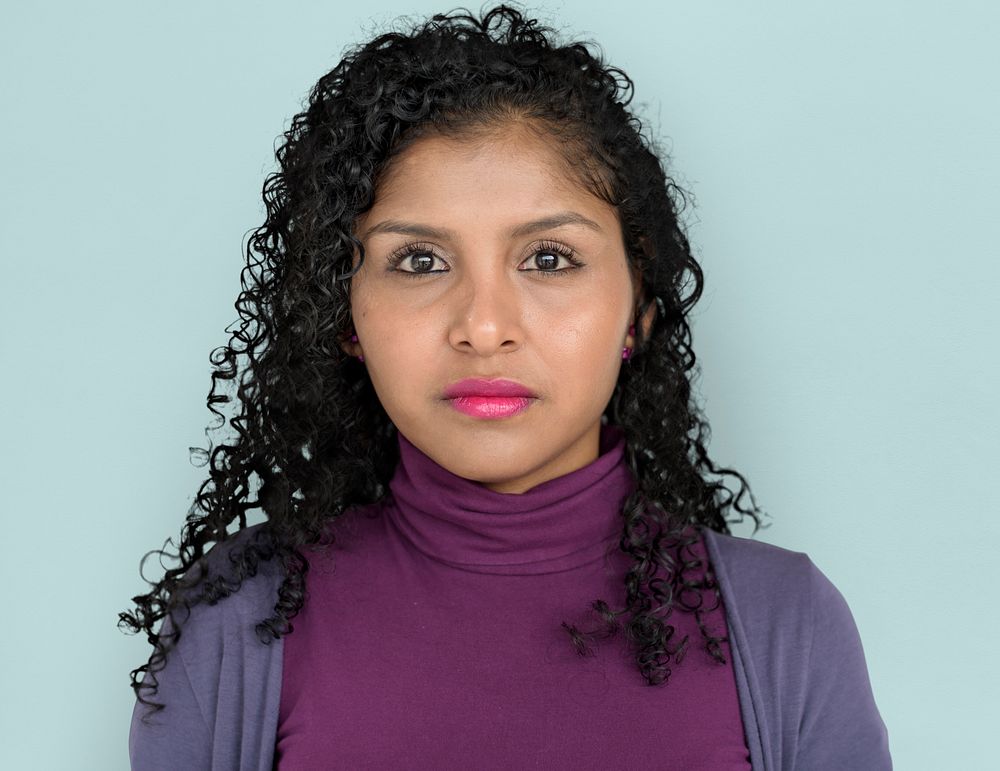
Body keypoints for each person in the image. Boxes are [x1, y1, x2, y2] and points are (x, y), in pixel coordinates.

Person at [121, 5, 891, 769]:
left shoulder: (789, 626)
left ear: (639, 308)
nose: (484, 327)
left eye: (549, 258)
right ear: (344, 316)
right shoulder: (238, 615)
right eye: (419, 261)